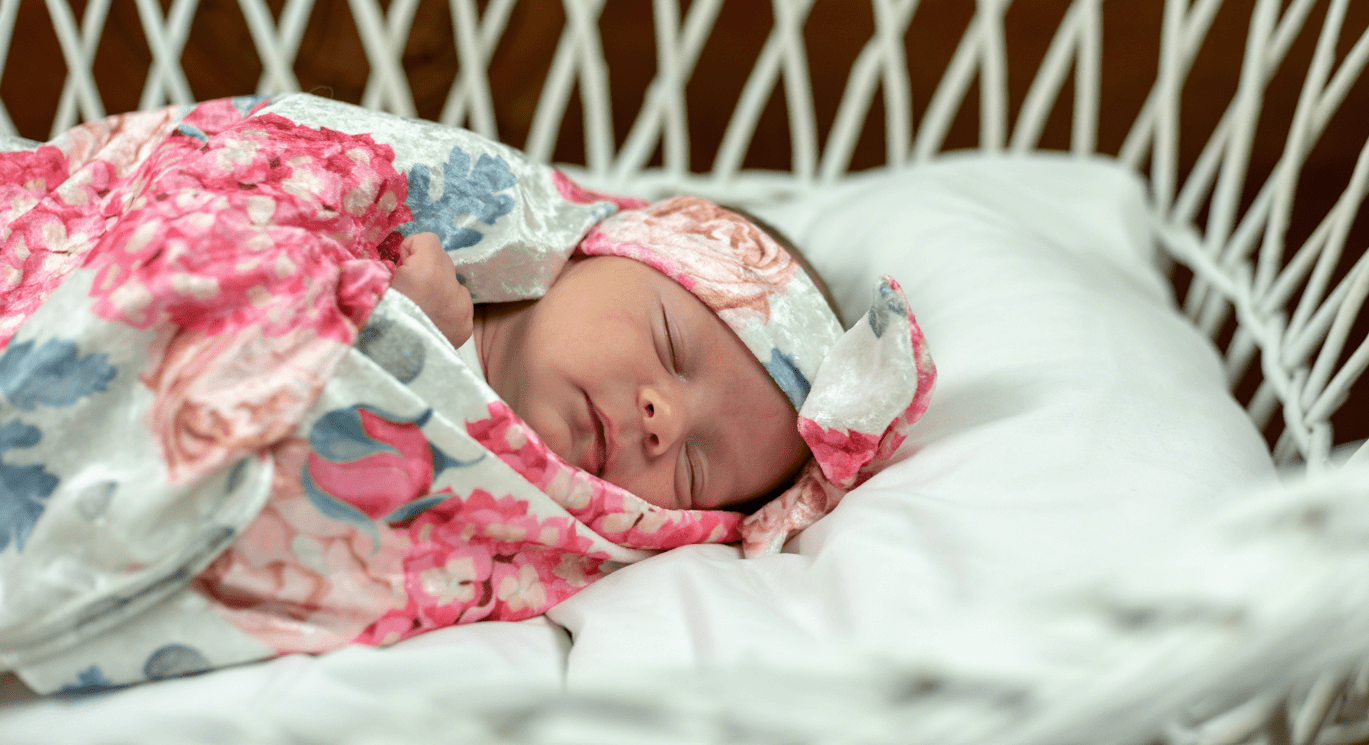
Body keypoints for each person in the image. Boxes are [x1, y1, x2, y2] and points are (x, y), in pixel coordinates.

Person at [388, 201, 832, 513]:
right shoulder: (425, 259)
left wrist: (399, 341)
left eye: (692, 471)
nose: (668, 422)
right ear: (599, 250)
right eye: (670, 345)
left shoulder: (507, 518)